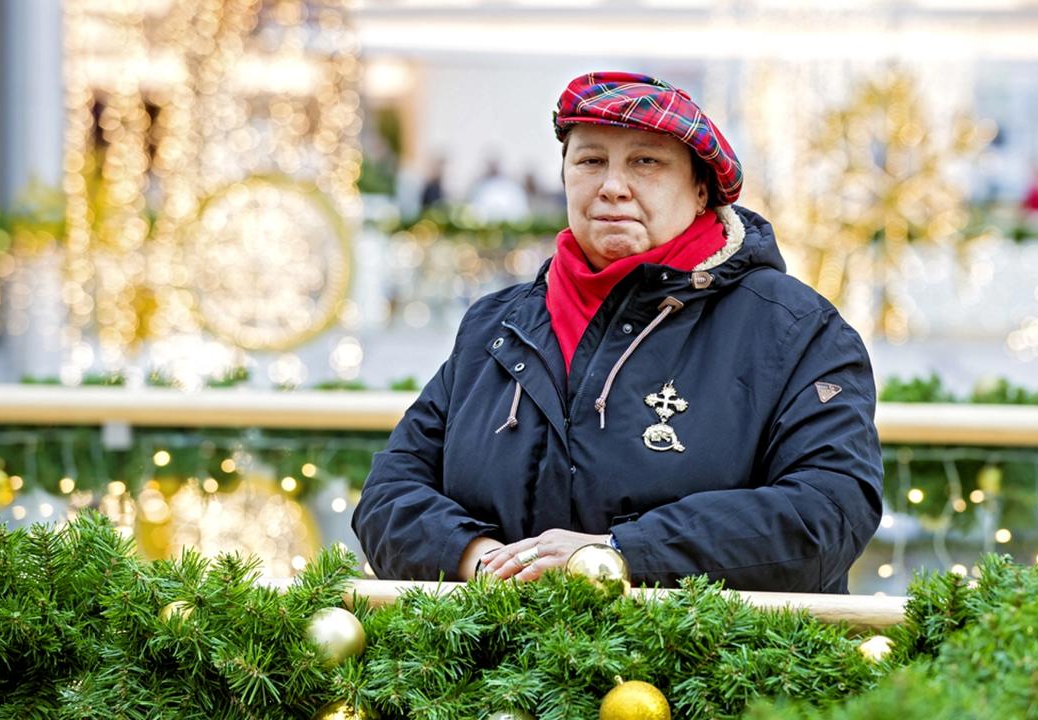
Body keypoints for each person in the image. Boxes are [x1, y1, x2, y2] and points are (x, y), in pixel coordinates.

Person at [353, 72, 883, 593]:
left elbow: (829, 510)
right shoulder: (496, 327)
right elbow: (387, 494)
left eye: (645, 162)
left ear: (702, 190)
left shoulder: (794, 328)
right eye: (590, 160)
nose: (612, 186)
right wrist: (478, 558)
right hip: (500, 670)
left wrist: (613, 556)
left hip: (707, 673)